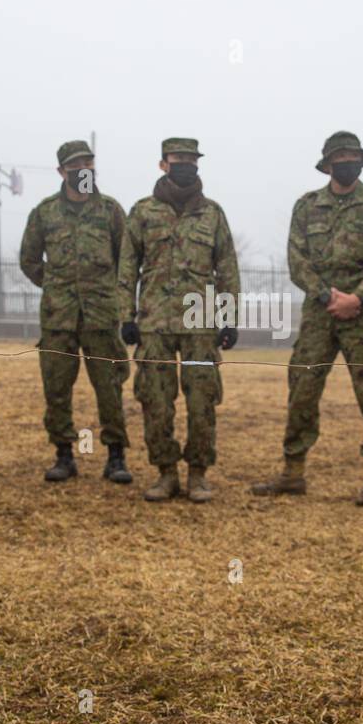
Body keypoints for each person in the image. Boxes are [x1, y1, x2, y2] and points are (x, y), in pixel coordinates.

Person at [251, 131, 363, 507]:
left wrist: (358, 297)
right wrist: (325, 295)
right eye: (341, 157)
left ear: (362, 161)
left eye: (353, 156)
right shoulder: (307, 206)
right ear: (328, 164)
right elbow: (296, 258)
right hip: (318, 313)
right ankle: (292, 472)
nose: (347, 162)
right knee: (302, 388)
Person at [119, 137, 240, 503]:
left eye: (191, 160)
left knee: (202, 401)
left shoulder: (213, 214)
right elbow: (126, 268)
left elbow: (227, 270)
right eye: (178, 159)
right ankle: (166, 472)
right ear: (163, 164)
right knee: (155, 401)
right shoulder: (142, 212)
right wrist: (126, 315)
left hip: (200, 323)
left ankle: (198, 474)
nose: (185, 165)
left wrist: (228, 317)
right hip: (154, 323)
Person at [20, 140, 132, 484]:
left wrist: (112, 296)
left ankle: (115, 457)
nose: (83, 169)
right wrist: (56, 286)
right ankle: (64, 455)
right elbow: (28, 260)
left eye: (88, 163)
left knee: (109, 387)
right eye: (75, 165)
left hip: (101, 317)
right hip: (59, 319)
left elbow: (126, 261)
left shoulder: (111, 211)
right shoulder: (45, 212)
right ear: (61, 171)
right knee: (56, 388)